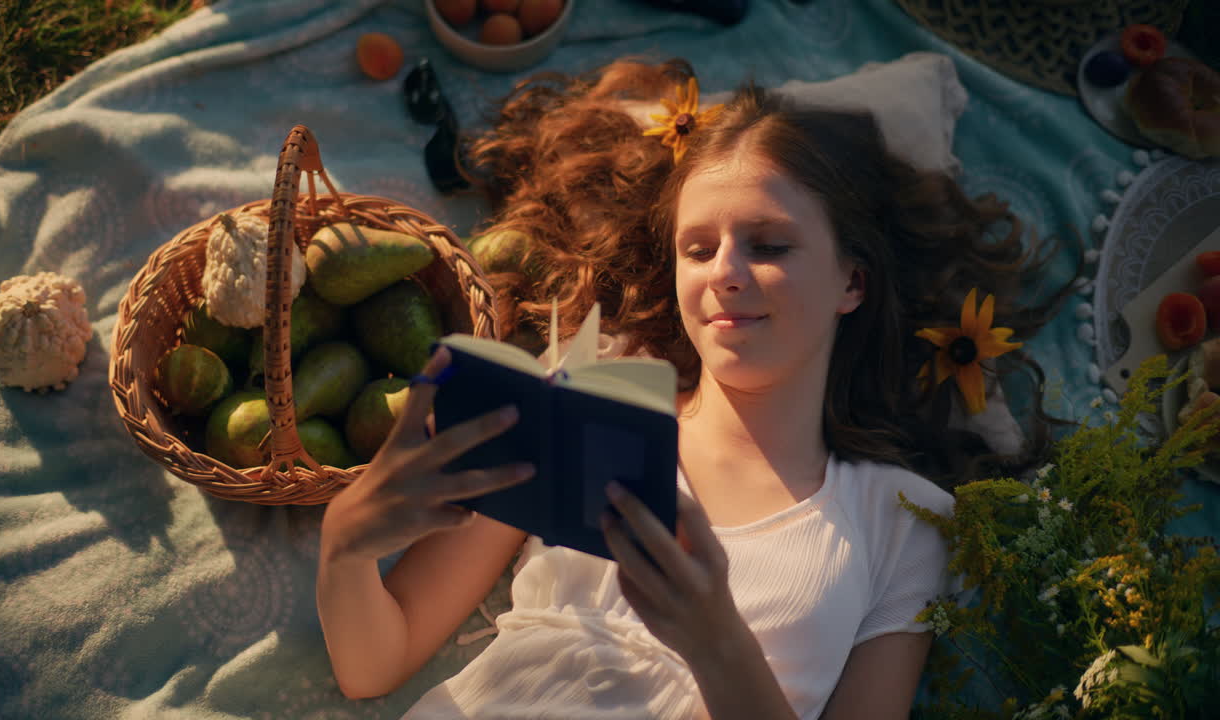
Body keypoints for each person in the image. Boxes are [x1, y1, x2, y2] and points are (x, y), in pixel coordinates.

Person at [316, 58, 1069, 719]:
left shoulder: (903, 525)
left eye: (769, 245)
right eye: (698, 248)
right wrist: (345, 545)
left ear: (851, 279)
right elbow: (373, 665)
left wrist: (717, 644)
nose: (725, 273)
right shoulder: (581, 405)